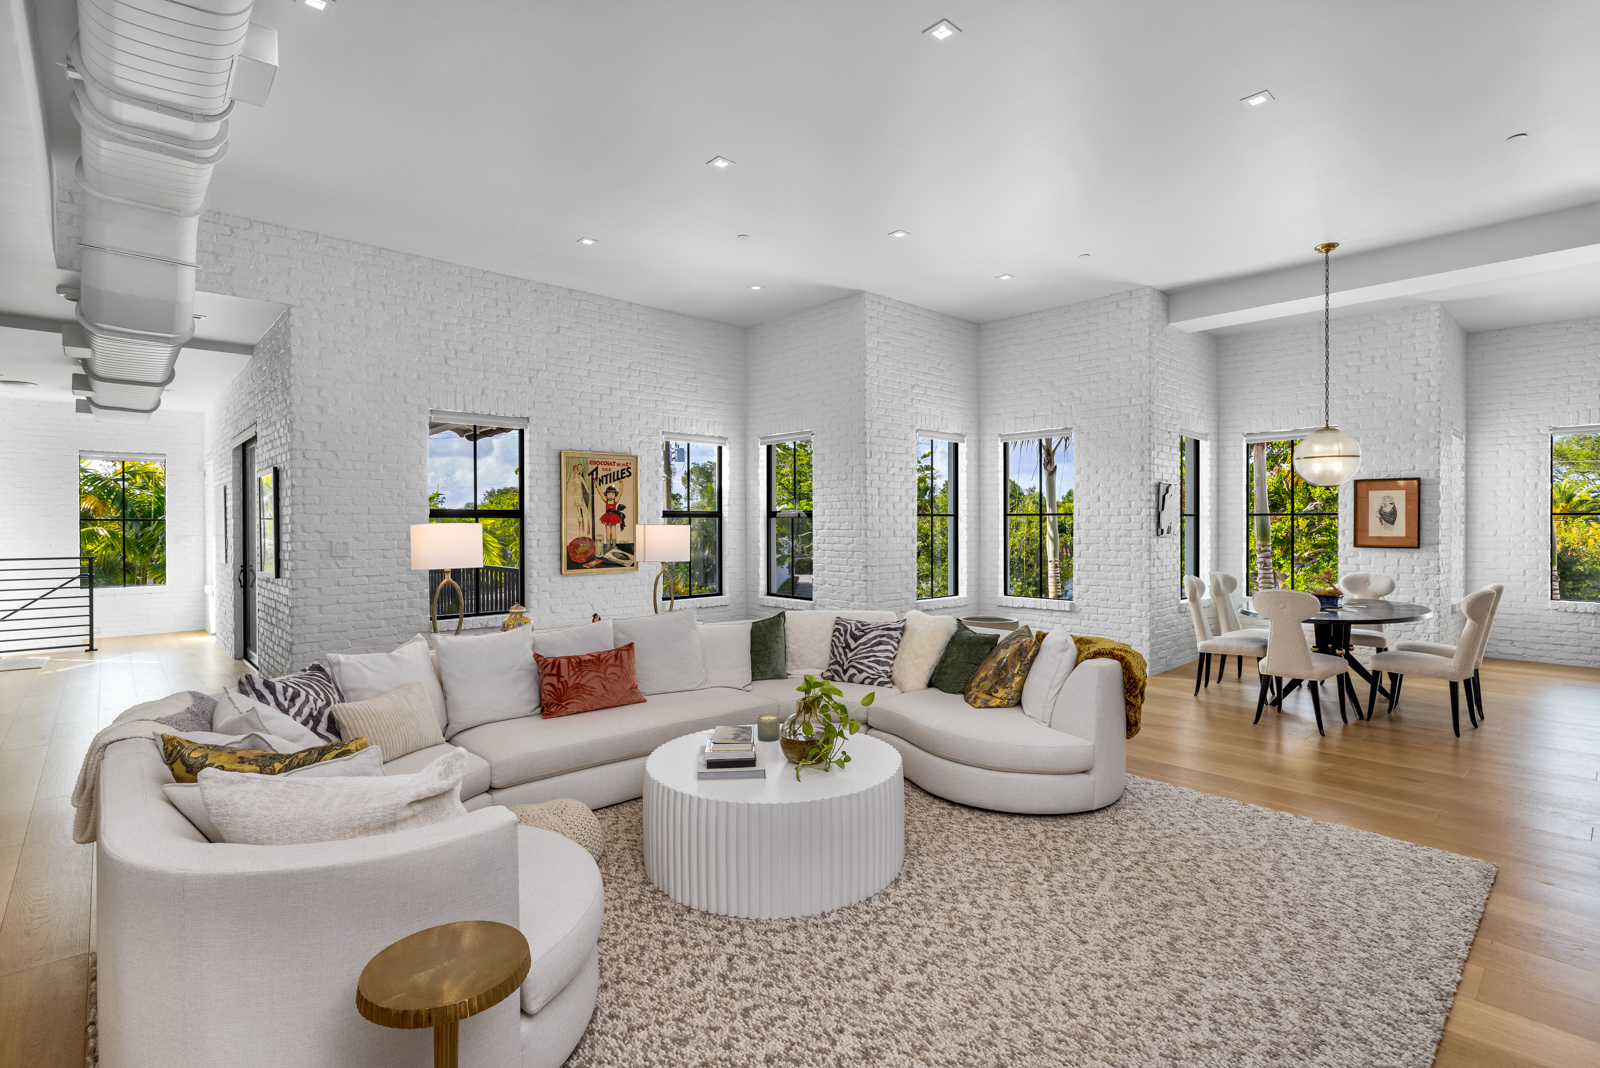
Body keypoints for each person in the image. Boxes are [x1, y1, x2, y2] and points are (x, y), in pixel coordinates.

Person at [599, 485, 626, 555]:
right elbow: (601, 493)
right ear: (606, 494)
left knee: (613, 532)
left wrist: (621, 484)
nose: (610, 496)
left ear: (615, 495)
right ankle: (608, 546)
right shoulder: (606, 500)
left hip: (613, 517)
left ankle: (614, 546)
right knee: (608, 532)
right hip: (607, 517)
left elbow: (620, 493)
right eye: (609, 494)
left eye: (613, 494)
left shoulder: (615, 501)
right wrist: (597, 485)